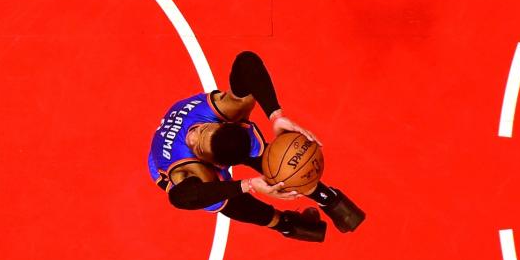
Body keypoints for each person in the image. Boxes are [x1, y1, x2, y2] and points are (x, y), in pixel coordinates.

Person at [148, 51, 365, 242]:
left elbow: (247, 61)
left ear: (223, 124)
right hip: (182, 175)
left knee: (280, 164)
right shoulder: (185, 168)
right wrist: (246, 184)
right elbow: (181, 197)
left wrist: (276, 116)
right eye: (196, 137)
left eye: (202, 131)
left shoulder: (228, 111)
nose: (192, 135)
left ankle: (328, 200)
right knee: (224, 200)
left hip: (233, 139)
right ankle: (286, 224)